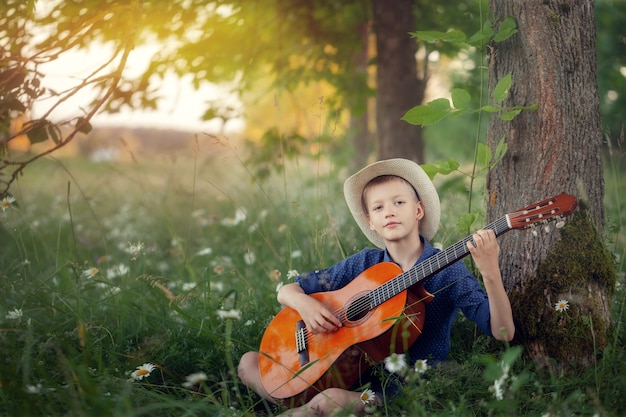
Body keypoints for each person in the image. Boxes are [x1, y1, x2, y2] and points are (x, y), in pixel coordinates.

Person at [238, 158, 515, 416]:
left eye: (398, 202)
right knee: (248, 363)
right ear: (371, 221)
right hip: (341, 368)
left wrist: (490, 272)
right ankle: (294, 400)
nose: (389, 212)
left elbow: (503, 332)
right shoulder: (366, 263)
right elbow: (287, 290)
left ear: (418, 210)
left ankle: (294, 406)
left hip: (399, 386)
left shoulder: (447, 269)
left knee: (325, 402)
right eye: (378, 207)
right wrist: (306, 304)